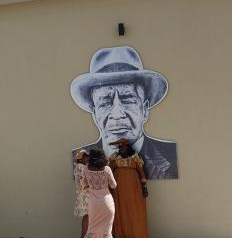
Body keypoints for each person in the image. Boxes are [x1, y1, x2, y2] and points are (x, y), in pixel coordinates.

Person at [70, 45, 178, 179]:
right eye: (105, 102)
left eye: (127, 99)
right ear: (94, 114)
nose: (117, 114)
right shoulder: (81, 159)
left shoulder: (170, 159)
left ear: (144, 110)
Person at [80, 148, 117, 238]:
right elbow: (114, 185)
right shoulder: (106, 169)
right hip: (107, 202)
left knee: (91, 228)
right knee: (107, 231)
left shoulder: (86, 169)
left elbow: (83, 185)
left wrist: (91, 187)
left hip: (93, 203)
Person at [109, 138, 149, 238]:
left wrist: (144, 187)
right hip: (118, 189)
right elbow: (109, 172)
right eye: (119, 147)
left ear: (127, 147)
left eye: (122, 147)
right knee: (120, 210)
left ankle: (137, 236)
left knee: (134, 210)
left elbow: (141, 173)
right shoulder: (114, 158)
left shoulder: (135, 157)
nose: (120, 149)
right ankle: (123, 237)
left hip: (134, 188)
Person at [73, 150, 89, 238]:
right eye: (85, 156)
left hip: (84, 194)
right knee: (87, 216)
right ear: (81, 158)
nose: (87, 158)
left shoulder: (80, 167)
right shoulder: (80, 167)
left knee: (88, 216)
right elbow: (80, 182)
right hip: (85, 195)